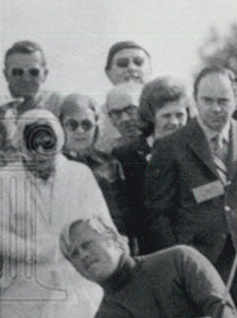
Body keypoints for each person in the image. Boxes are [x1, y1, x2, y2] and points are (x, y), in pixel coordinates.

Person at [144, 66, 237, 318]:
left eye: (224, 101)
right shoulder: (170, 147)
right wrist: (178, 262)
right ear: (195, 100)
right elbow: (157, 215)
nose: (216, 109)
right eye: (208, 101)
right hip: (197, 267)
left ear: (236, 100)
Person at [0, 109, 115, 318]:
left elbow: (102, 227)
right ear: (21, 143)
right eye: (34, 143)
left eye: (48, 143)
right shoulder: (5, 178)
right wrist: (38, 251)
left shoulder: (80, 175)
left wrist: (75, 250)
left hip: (74, 293)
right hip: (24, 294)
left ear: (59, 140)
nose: (41, 152)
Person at [60, 216, 237, 318]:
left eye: (87, 244)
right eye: (74, 254)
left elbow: (222, 309)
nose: (83, 255)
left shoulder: (179, 259)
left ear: (114, 238)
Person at [112, 76, 191, 253]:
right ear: (151, 116)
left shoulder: (197, 151)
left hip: (194, 245)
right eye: (166, 116)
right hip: (150, 250)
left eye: (180, 115)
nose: (174, 122)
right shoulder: (127, 155)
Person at [58, 93, 128, 238]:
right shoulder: (53, 166)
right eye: (72, 125)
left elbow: (122, 213)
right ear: (60, 127)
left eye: (86, 124)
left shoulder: (109, 163)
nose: (80, 131)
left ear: (96, 126)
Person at [96, 41, 154, 153]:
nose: (131, 68)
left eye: (138, 62)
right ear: (109, 73)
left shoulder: (167, 111)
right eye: (122, 63)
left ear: (150, 69)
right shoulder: (96, 119)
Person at [3, 40, 63, 117]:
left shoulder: (58, 106)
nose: (26, 79)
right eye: (17, 72)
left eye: (33, 72)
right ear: (5, 75)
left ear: (45, 75)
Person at [101, 81, 144, 153]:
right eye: (116, 113)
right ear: (111, 120)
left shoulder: (166, 145)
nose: (125, 119)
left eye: (130, 110)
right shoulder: (110, 156)